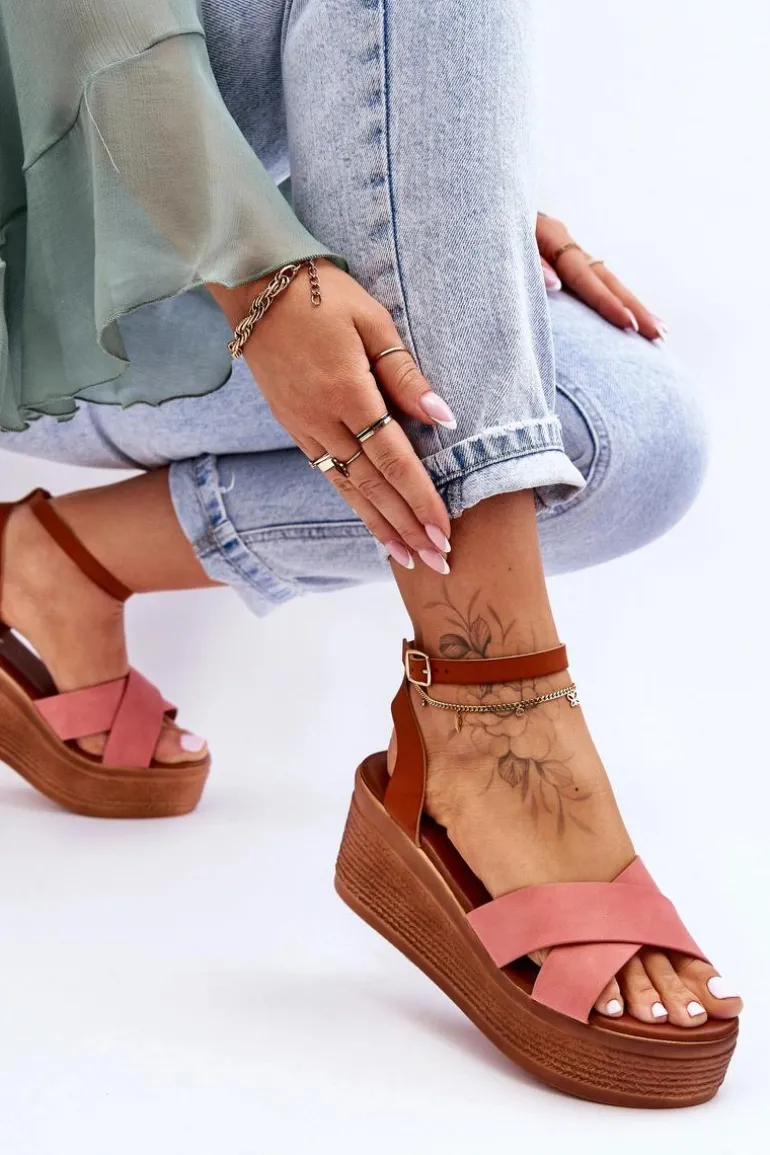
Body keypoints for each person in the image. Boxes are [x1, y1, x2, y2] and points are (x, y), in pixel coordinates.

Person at [0, 0, 742, 1106]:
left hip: (162, 230)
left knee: (627, 437)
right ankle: (494, 717)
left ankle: (58, 559)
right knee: (528, 431)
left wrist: (447, 210)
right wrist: (255, 264)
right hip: (39, 258)